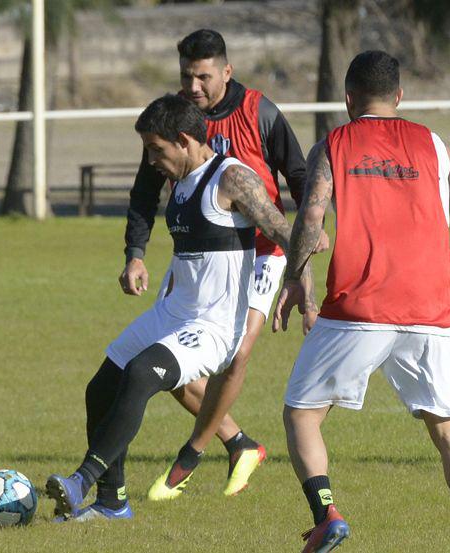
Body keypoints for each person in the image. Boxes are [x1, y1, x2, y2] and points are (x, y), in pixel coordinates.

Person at [46, 94, 311, 521]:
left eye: (156, 149)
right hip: (173, 312)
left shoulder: (233, 179)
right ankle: (112, 503)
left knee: (140, 373)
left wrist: (303, 286)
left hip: (214, 325)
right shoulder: (182, 180)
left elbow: (285, 232)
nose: (151, 159)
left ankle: (81, 480)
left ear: (185, 141)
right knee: (100, 388)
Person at [274, 51, 450, 553]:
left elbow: (311, 220)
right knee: (449, 432)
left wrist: (295, 281)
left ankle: (327, 512)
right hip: (429, 313)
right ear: (399, 97)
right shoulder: (435, 147)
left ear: (348, 98)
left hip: (358, 310)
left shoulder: (334, 144)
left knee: (303, 414)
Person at [122, 28, 322, 501]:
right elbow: (145, 191)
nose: (193, 86)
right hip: (197, 253)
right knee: (166, 354)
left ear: (226, 72)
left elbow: (298, 174)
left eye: (203, 76)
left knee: (233, 353)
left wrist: (309, 233)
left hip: (262, 254)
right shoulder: (171, 120)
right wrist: (135, 252)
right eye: (187, 76)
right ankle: (238, 443)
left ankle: (189, 456)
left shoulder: (260, 111)